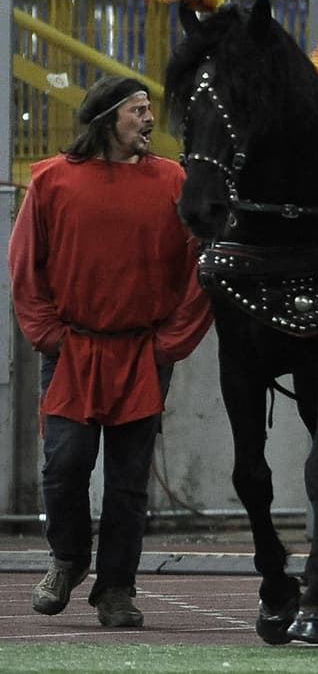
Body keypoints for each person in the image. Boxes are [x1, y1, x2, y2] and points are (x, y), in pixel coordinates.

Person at [9, 76, 213, 628]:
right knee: (65, 465)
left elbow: (203, 268)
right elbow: (26, 268)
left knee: (128, 479)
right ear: (107, 120)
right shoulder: (50, 182)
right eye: (138, 110)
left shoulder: (175, 182)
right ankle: (69, 558)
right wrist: (49, 336)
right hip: (72, 349)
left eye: (150, 109)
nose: (149, 119)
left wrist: (170, 345)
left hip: (143, 353)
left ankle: (117, 588)